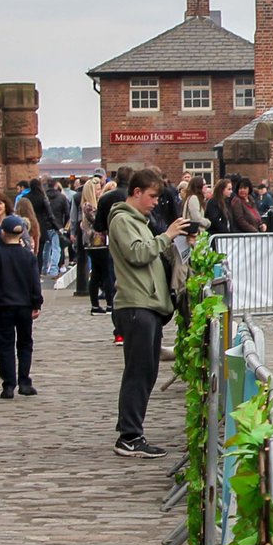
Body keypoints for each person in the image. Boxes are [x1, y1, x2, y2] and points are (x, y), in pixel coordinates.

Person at [108, 169, 191, 458]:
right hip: (135, 305)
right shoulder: (122, 221)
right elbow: (138, 254)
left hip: (147, 305)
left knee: (145, 371)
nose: (156, 202)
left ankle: (130, 429)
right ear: (136, 192)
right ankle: (130, 436)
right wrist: (167, 236)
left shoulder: (139, 222)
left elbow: (150, 254)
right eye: (152, 196)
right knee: (139, 372)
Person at [0, 215, 43, 399]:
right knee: (25, 344)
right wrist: (36, 303)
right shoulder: (28, 256)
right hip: (24, 305)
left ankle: (8, 385)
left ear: (3, 233)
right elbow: (35, 283)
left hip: (3, 305)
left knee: (5, 345)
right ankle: (24, 382)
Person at [80, 177, 114, 316]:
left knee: (98, 273)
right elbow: (97, 221)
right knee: (104, 273)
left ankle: (97, 305)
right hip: (96, 243)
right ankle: (107, 303)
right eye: (98, 189)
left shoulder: (95, 204)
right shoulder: (89, 205)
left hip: (97, 242)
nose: (100, 191)